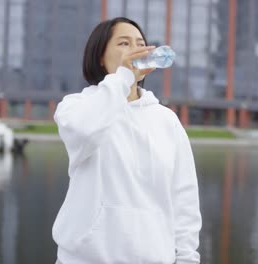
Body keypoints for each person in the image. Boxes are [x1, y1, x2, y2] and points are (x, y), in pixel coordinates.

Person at [52, 17, 201, 264]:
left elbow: (184, 198)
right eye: (123, 43)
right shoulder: (76, 106)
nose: (134, 49)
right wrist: (122, 78)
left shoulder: (166, 120)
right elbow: (86, 131)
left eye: (140, 43)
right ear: (100, 56)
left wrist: (187, 258)